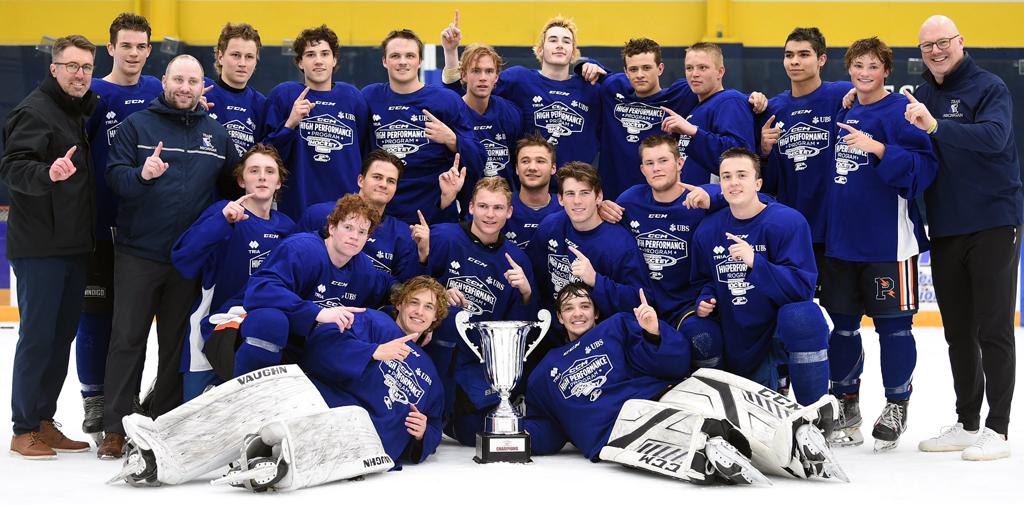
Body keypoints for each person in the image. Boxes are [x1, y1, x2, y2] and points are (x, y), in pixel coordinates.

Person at [101, 54, 241, 458]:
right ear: (164, 81)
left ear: (202, 86)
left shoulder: (216, 134)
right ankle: (115, 427)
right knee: (127, 339)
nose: (184, 88)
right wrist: (142, 174)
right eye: (178, 79)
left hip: (187, 260)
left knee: (176, 343)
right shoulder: (137, 126)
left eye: (192, 82)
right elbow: (115, 178)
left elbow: (235, 185)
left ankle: (163, 419)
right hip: (138, 253)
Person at [907, 16, 1022, 461]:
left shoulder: (990, 87)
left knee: (995, 328)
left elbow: (994, 137)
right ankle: (968, 421)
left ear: (960, 42)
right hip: (946, 226)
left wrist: (936, 126)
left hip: (994, 221)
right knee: (958, 331)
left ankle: (998, 429)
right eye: (927, 46)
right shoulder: (922, 94)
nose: (935, 51)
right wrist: (853, 98)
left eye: (943, 42)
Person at [821, 37, 937, 452]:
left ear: (886, 71)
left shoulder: (901, 111)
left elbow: (925, 167)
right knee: (843, 328)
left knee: (894, 328)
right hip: (841, 243)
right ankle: (846, 402)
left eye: (873, 66)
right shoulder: (846, 107)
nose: (864, 73)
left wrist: (879, 149)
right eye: (858, 65)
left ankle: (896, 404)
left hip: (889, 244)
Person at [1, 34, 98, 459]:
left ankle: (43, 419)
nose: (80, 74)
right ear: (54, 68)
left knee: (60, 338)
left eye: (87, 67)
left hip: (73, 245)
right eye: (72, 66)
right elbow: (13, 167)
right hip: (40, 246)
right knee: (38, 337)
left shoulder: (75, 110)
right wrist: (47, 174)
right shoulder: (34, 111)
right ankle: (23, 428)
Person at [684, 148, 831, 408]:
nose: (734, 182)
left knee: (804, 316)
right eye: (727, 176)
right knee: (697, 329)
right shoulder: (708, 230)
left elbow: (802, 288)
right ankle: (717, 407)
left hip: (778, 332)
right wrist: (705, 299)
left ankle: (815, 413)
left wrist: (756, 262)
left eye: (742, 175)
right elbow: (703, 280)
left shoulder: (788, 221)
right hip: (737, 335)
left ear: (758, 184)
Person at [76, 12, 162, 446]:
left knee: (134, 322)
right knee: (96, 315)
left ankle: (129, 399)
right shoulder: (92, 93)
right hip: (98, 225)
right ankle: (94, 399)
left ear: (149, 50)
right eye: (125, 45)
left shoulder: (157, 90)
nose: (133, 53)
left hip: (145, 227)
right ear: (110, 48)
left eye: (140, 46)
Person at [411, 176, 537, 445]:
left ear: (509, 212)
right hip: (433, 351)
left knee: (475, 434)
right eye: (483, 206)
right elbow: (409, 287)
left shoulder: (517, 260)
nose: (490, 214)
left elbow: (518, 330)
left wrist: (526, 293)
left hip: (476, 365)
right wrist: (438, 294)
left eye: (498, 208)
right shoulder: (443, 236)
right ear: (470, 207)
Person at [171, 144, 294, 401]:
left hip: (264, 334)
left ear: (279, 182)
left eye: (270, 171)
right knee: (196, 416)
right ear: (241, 180)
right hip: (213, 329)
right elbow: (182, 259)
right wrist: (222, 221)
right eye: (254, 171)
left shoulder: (288, 228)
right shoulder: (223, 212)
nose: (262, 177)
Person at [231, 194, 393, 377]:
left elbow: (391, 288)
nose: (354, 236)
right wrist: (317, 313)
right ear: (332, 227)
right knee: (270, 321)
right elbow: (260, 290)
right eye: (348, 227)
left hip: (305, 348)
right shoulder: (301, 249)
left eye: (362, 232)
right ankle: (243, 389)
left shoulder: (364, 269)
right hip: (252, 336)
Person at [302, 276, 448, 467]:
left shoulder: (430, 371)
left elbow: (434, 424)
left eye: (428, 307)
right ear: (399, 304)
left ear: (436, 316)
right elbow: (321, 344)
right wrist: (372, 351)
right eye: (414, 302)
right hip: (330, 424)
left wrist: (423, 433)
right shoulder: (372, 321)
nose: (419, 312)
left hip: (372, 456)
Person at [443, 15, 602, 169]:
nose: (560, 45)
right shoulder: (519, 79)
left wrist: (598, 69)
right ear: (540, 49)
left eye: (566, 41)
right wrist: (450, 52)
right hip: (531, 179)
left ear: (573, 52)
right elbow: (466, 93)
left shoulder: (589, 87)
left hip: (575, 183)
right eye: (553, 40)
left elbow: (616, 89)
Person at [759, 27, 853, 286]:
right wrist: (764, 151)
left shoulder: (842, 95)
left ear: (821, 59)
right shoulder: (773, 108)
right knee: (796, 307)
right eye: (789, 55)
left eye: (803, 54)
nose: (795, 61)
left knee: (840, 309)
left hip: (835, 230)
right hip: (792, 232)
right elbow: (767, 183)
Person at [598, 135, 720, 329]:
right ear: (642, 169)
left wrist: (714, 196)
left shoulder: (700, 202)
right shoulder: (629, 201)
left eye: (663, 161)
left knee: (703, 338)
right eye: (650, 163)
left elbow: (756, 199)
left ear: (680, 163)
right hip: (640, 304)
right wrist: (600, 208)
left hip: (686, 305)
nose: (656, 168)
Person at [363, 28, 483, 224]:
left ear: (420, 61)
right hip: (380, 214)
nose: (403, 61)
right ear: (384, 61)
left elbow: (479, 158)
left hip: (434, 213)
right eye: (395, 56)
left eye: (410, 56)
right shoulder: (369, 97)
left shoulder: (445, 100)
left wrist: (453, 140)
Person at [263, 24, 370, 220]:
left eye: (325, 54)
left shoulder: (353, 98)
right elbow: (265, 155)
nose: (318, 61)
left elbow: (364, 150)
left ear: (334, 59)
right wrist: (290, 124)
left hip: (347, 212)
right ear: (300, 62)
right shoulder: (284, 96)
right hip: (298, 209)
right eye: (310, 54)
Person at [528, 162, 651, 318]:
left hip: (601, 328)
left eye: (584, 193)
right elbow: (532, 276)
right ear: (560, 199)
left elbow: (640, 300)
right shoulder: (551, 226)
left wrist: (596, 280)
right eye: (570, 194)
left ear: (598, 196)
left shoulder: (620, 244)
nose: (577, 201)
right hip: (555, 324)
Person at [297, 150, 423, 281]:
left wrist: (423, 256)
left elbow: (404, 287)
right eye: (377, 177)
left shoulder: (403, 235)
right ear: (361, 180)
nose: (383, 185)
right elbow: (296, 260)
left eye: (391, 181)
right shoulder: (318, 214)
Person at [439, 17, 523, 188]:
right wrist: (450, 51)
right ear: (463, 75)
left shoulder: (510, 113)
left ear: (496, 77)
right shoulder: (452, 114)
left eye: (489, 71)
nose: (483, 77)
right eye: (476, 71)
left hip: (505, 199)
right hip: (467, 201)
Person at [661, 43, 756, 186]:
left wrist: (694, 132)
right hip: (690, 196)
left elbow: (741, 155)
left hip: (714, 197)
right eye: (689, 68)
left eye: (702, 67)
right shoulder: (696, 107)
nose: (694, 74)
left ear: (720, 72)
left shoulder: (729, 101)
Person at [204, 22, 267, 157]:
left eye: (249, 57)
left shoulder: (261, 104)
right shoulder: (201, 91)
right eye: (236, 55)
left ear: (256, 61)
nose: (242, 63)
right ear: (220, 57)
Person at [502, 134, 563, 249]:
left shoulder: (567, 208)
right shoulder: (499, 205)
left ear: (553, 168)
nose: (532, 167)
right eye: (525, 161)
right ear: (517, 168)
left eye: (540, 161)